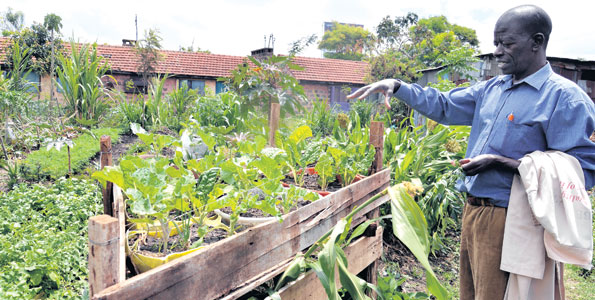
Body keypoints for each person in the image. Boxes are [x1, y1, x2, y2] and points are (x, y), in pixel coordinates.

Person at [348, 4, 595, 300]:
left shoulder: (563, 98)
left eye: (507, 43)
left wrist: (500, 163)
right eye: (496, 43)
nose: (498, 51)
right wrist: (398, 86)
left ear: (537, 42)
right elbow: (443, 105)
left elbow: (580, 172)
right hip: (475, 213)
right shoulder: (492, 89)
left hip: (515, 220)